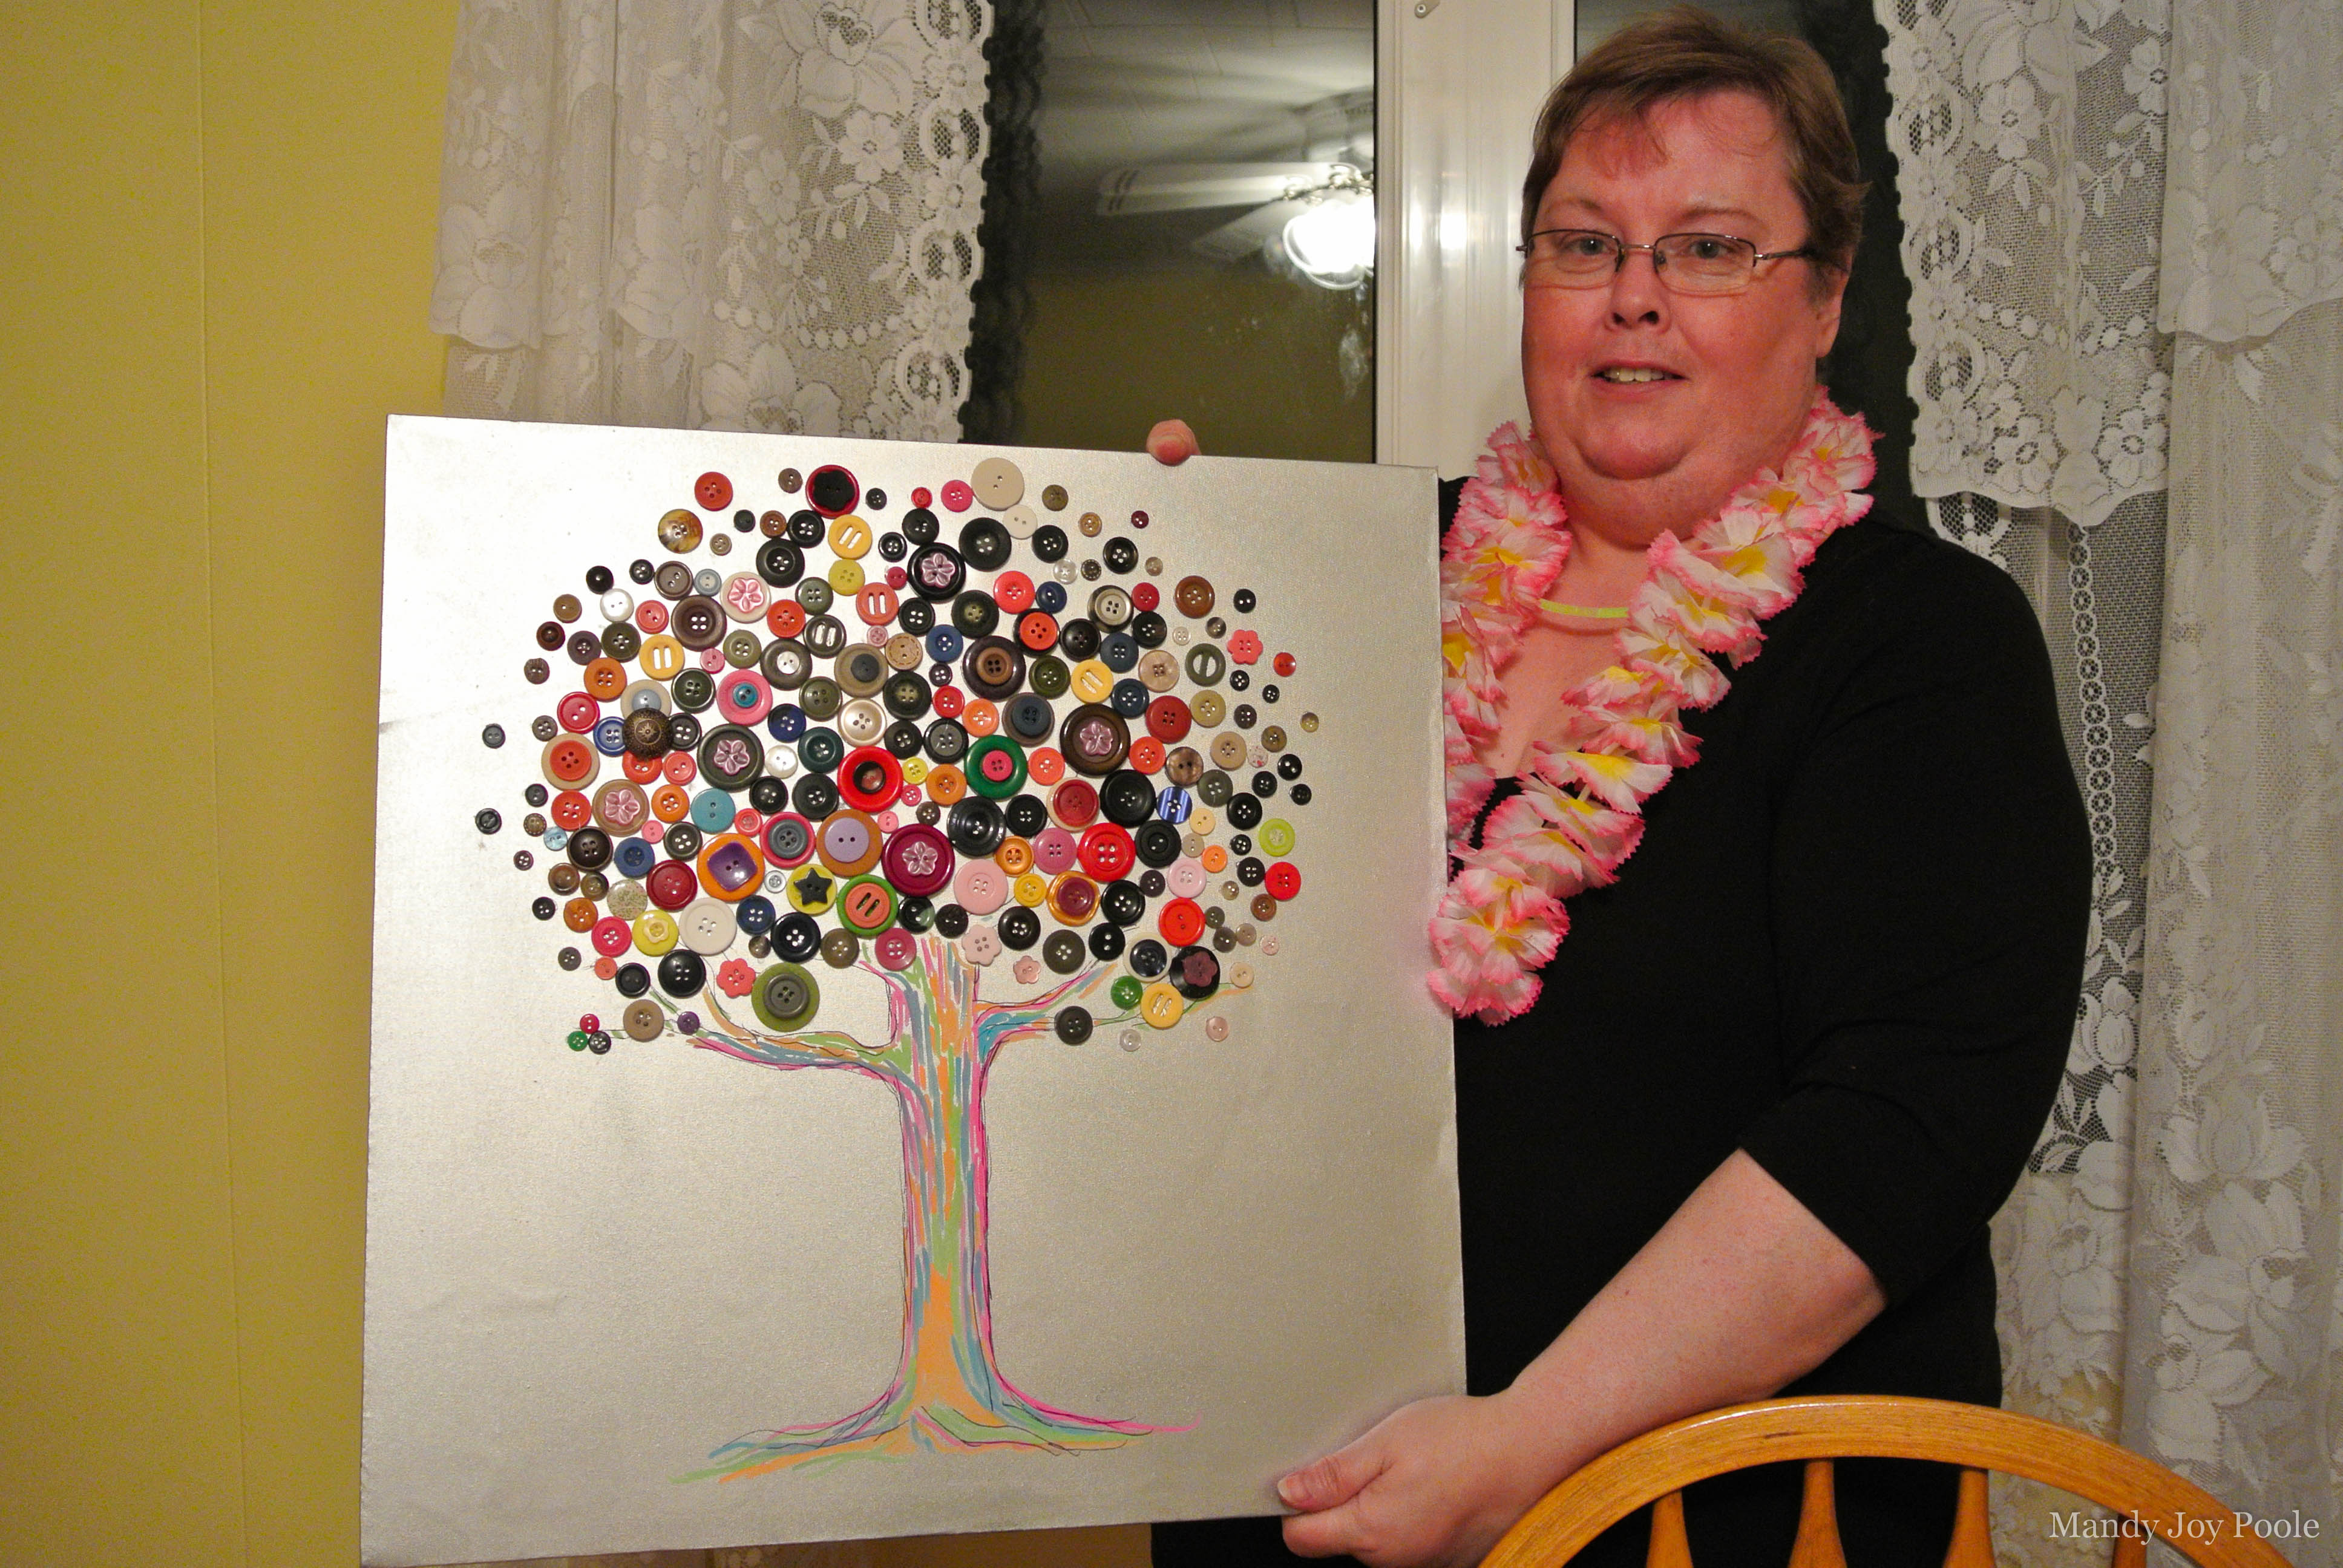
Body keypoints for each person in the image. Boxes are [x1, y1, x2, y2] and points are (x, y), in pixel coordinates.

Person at [1144, 10, 2091, 1567]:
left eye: (1708, 249)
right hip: (1294, 1486)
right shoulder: (1336, 588)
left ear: (1825, 300)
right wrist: (1138, 600)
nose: (1633, 294)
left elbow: (1901, 1126)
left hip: (1727, 1521)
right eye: (1583, 244)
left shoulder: (1920, 642)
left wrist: (1526, 1446)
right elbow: (1168, 967)